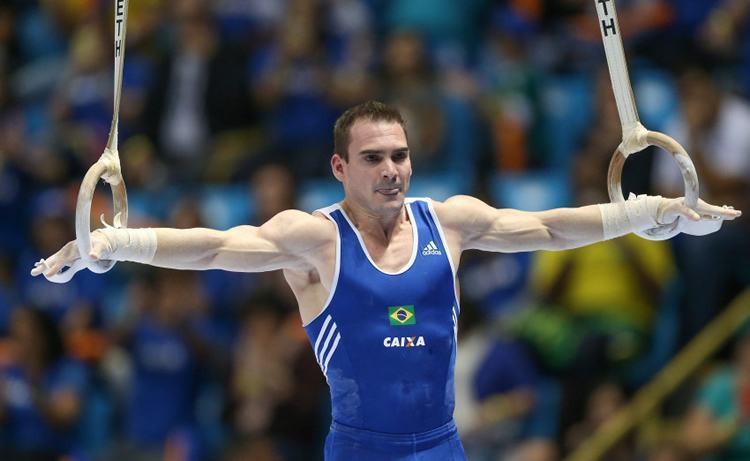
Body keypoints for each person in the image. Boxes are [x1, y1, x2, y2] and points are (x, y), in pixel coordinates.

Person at [31, 101, 741, 460]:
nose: (393, 168)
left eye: (400, 153)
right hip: (357, 447)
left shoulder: (450, 222)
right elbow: (216, 248)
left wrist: (656, 213)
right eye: (374, 157)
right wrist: (113, 241)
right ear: (341, 168)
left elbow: (553, 227)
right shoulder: (314, 238)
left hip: (441, 445)